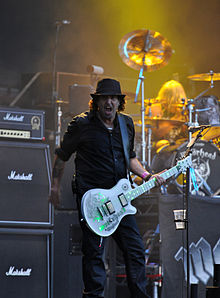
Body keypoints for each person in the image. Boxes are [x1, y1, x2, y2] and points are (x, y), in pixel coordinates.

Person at [49, 78, 164, 298]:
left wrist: (147, 175)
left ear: (119, 102)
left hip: (121, 199)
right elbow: (62, 155)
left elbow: (130, 157)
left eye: (114, 98)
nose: (109, 103)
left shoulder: (126, 124)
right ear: (97, 102)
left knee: (136, 251)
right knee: (94, 255)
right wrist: (55, 186)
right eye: (105, 98)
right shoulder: (81, 124)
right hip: (93, 200)